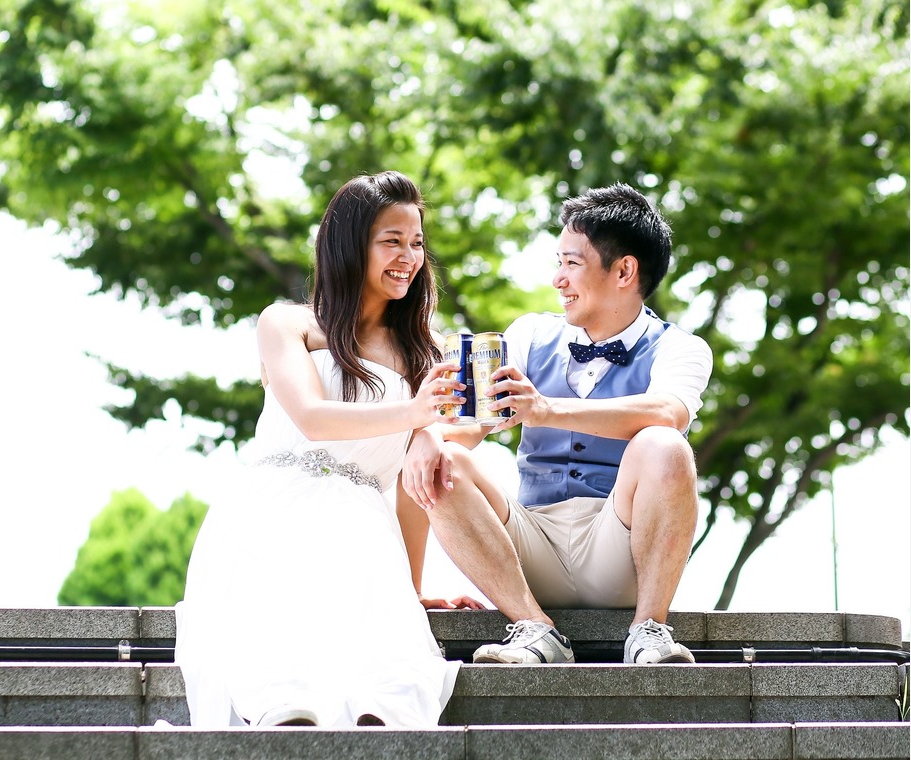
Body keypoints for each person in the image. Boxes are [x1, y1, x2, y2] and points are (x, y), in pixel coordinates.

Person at [174, 170, 476, 729]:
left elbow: (418, 489)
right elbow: (312, 419)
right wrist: (416, 414)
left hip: (364, 531)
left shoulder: (421, 352)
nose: (408, 257)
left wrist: (411, 591)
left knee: (386, 691)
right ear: (349, 244)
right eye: (392, 241)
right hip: (269, 515)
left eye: (416, 243)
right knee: (288, 689)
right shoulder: (286, 323)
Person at [399, 182, 712, 665]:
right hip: (530, 545)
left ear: (624, 270)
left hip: (621, 549)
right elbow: (472, 425)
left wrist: (544, 410)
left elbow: (665, 413)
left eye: (571, 263)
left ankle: (650, 630)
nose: (557, 279)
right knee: (444, 457)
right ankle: (533, 627)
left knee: (665, 445)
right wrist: (426, 435)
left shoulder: (681, 348)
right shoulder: (530, 333)